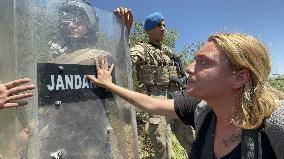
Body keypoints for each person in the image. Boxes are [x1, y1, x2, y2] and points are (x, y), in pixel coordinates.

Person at [87, 32, 284, 159]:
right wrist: (110, 85)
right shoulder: (202, 110)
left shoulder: (276, 126)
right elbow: (151, 103)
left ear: (239, 77)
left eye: (203, 62)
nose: (189, 68)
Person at [114, 9, 194, 158]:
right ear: (149, 29)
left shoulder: (170, 52)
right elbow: (123, 63)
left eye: (164, 25)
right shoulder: (142, 49)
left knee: (192, 142)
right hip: (157, 99)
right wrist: (125, 32)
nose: (163, 28)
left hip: (177, 98)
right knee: (162, 147)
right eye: (159, 25)